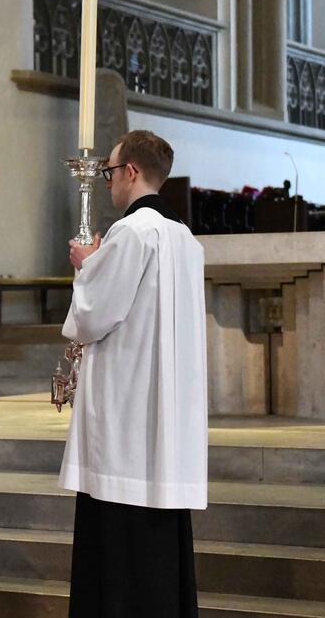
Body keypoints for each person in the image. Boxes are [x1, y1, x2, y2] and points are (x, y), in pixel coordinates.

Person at [59, 130, 208, 617]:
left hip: (125, 423)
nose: (106, 182)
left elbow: (92, 316)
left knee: (118, 556)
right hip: (164, 421)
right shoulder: (185, 238)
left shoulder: (133, 232)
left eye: (109, 172)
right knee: (158, 551)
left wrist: (87, 266)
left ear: (131, 172)